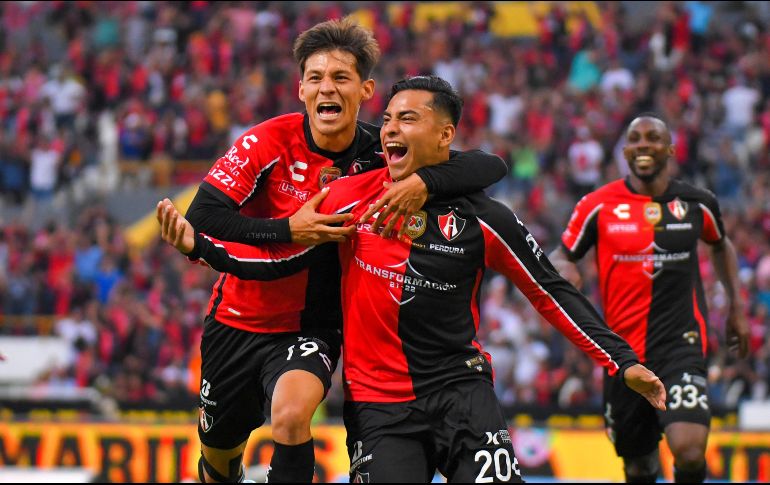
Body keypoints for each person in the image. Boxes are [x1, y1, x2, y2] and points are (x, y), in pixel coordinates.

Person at [158, 75, 667, 482]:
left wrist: (620, 361)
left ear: (445, 135)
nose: (391, 130)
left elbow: (550, 290)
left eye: (408, 119)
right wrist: (200, 248)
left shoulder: (485, 218)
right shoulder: (349, 197)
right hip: (378, 407)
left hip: (461, 391)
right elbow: (283, 253)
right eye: (388, 121)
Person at [181, 18, 508, 483]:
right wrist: (288, 229)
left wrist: (425, 180)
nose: (326, 88)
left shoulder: (386, 149)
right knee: (217, 457)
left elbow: (487, 165)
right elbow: (204, 217)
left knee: (292, 418)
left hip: (313, 324)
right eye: (315, 78)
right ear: (300, 89)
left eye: (340, 78)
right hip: (237, 318)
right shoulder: (266, 141)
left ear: (365, 89)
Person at [549, 115, 750, 483]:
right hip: (622, 354)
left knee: (689, 450)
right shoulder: (597, 205)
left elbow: (721, 245)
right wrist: (566, 271)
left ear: (670, 149)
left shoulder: (697, 203)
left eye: (653, 138)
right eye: (635, 139)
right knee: (639, 466)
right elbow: (563, 255)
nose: (643, 144)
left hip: (681, 344)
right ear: (625, 151)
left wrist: (736, 306)